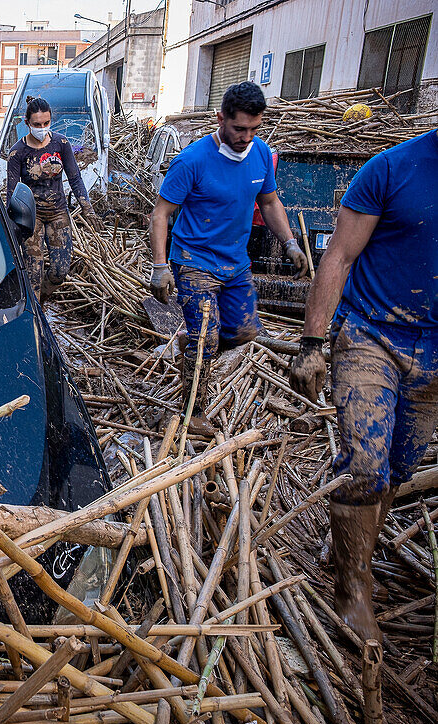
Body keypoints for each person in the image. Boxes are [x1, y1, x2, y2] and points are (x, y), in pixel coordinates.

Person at [289, 128, 438, 641]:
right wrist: (311, 345)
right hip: (372, 334)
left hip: (436, 353)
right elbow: (339, 257)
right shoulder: (391, 169)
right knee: (364, 462)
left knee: (397, 469)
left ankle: (354, 547)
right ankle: (353, 587)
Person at [148, 81, 306, 434]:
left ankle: (190, 341)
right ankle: (193, 412)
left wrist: (290, 242)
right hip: (194, 260)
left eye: (254, 128)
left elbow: (269, 202)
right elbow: (160, 214)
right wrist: (160, 267)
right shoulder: (192, 160)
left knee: (246, 331)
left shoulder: (261, 154)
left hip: (236, 264)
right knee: (206, 341)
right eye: (238, 128)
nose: (245, 136)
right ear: (221, 118)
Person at [6, 96, 99, 301]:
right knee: (33, 274)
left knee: (60, 271)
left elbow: (75, 177)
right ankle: (36, 315)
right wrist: (12, 225)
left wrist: (87, 206)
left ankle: (41, 300)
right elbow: (12, 192)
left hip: (58, 213)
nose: (42, 128)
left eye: (46, 123)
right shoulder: (17, 153)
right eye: (37, 124)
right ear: (27, 123)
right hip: (31, 218)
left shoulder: (60, 144)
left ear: (51, 120)